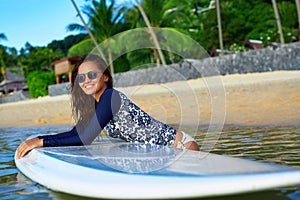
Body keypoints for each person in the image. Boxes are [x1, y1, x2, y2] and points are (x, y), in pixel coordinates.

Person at [16, 54, 199, 159]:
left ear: (105, 77)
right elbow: (76, 134)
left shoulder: (111, 97)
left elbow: (86, 138)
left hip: (181, 146)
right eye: (81, 77)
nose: (86, 80)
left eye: (92, 74)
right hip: (160, 152)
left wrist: (40, 141)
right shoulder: (95, 105)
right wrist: (40, 139)